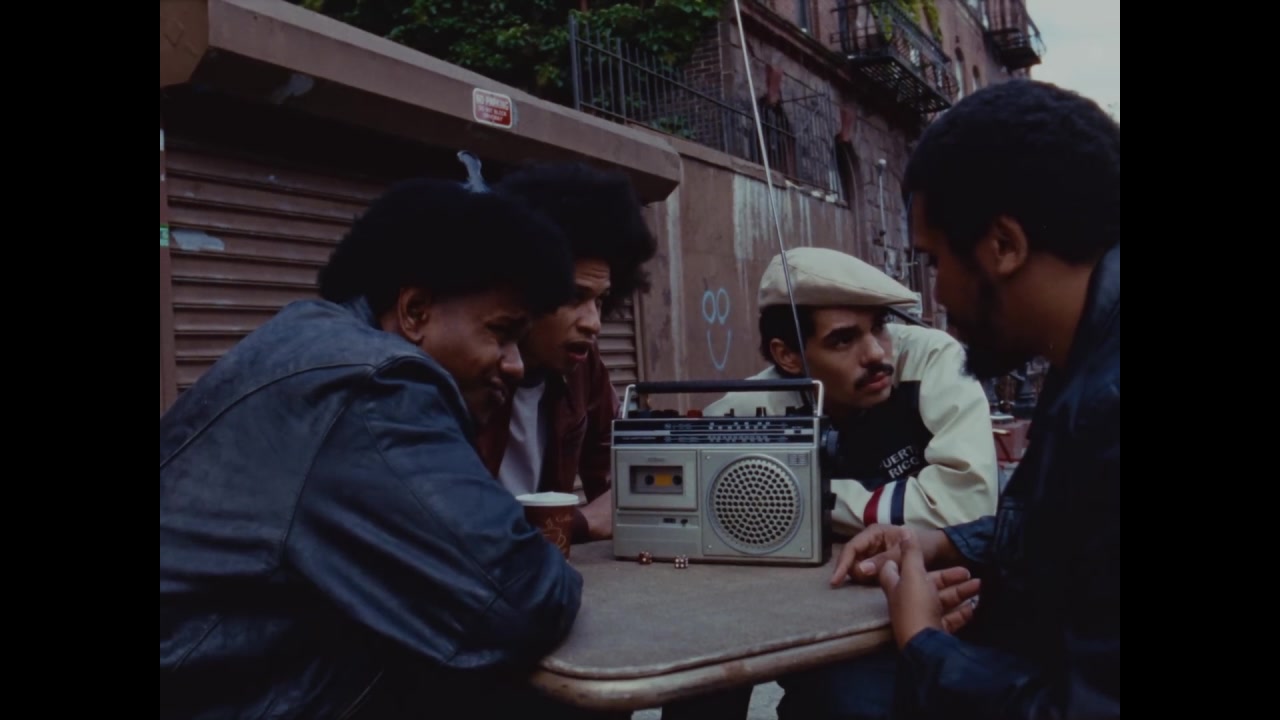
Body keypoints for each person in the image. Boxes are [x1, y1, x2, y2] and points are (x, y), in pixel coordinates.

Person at [160, 175, 592, 719]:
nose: (515, 364)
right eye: (501, 333)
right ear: (415, 311)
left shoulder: (311, 342)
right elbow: (519, 596)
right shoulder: (375, 387)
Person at [832, 78, 1121, 720]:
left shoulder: (1108, 403)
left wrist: (925, 644)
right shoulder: (1086, 358)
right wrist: (943, 542)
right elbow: (1080, 531)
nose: (937, 297)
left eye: (935, 262)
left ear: (1004, 246)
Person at [671, 247, 998, 720]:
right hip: (816, 612)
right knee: (699, 680)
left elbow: (964, 505)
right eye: (843, 340)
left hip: (942, 608)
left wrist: (795, 503)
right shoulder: (752, 405)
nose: (877, 353)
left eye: (880, 326)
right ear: (788, 356)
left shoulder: (932, 359)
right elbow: (694, 497)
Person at [474, 161, 658, 543]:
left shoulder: (583, 369)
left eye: (601, 300)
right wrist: (579, 523)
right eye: (574, 296)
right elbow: (453, 524)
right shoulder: (465, 372)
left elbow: (623, 475)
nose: (594, 323)